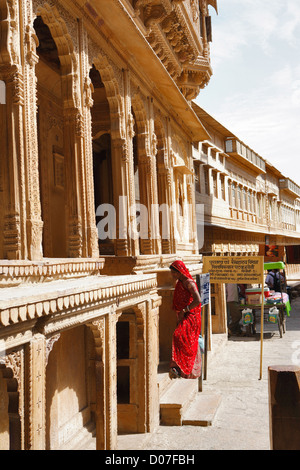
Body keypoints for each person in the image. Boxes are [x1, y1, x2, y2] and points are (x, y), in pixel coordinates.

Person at [169, 260, 202, 379]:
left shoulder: (189, 283)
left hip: (191, 315)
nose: (173, 275)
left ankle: (180, 366)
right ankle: (179, 368)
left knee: (178, 335)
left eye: (174, 273)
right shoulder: (180, 282)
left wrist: (185, 310)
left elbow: (198, 300)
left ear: (179, 272)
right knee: (183, 339)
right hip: (182, 314)